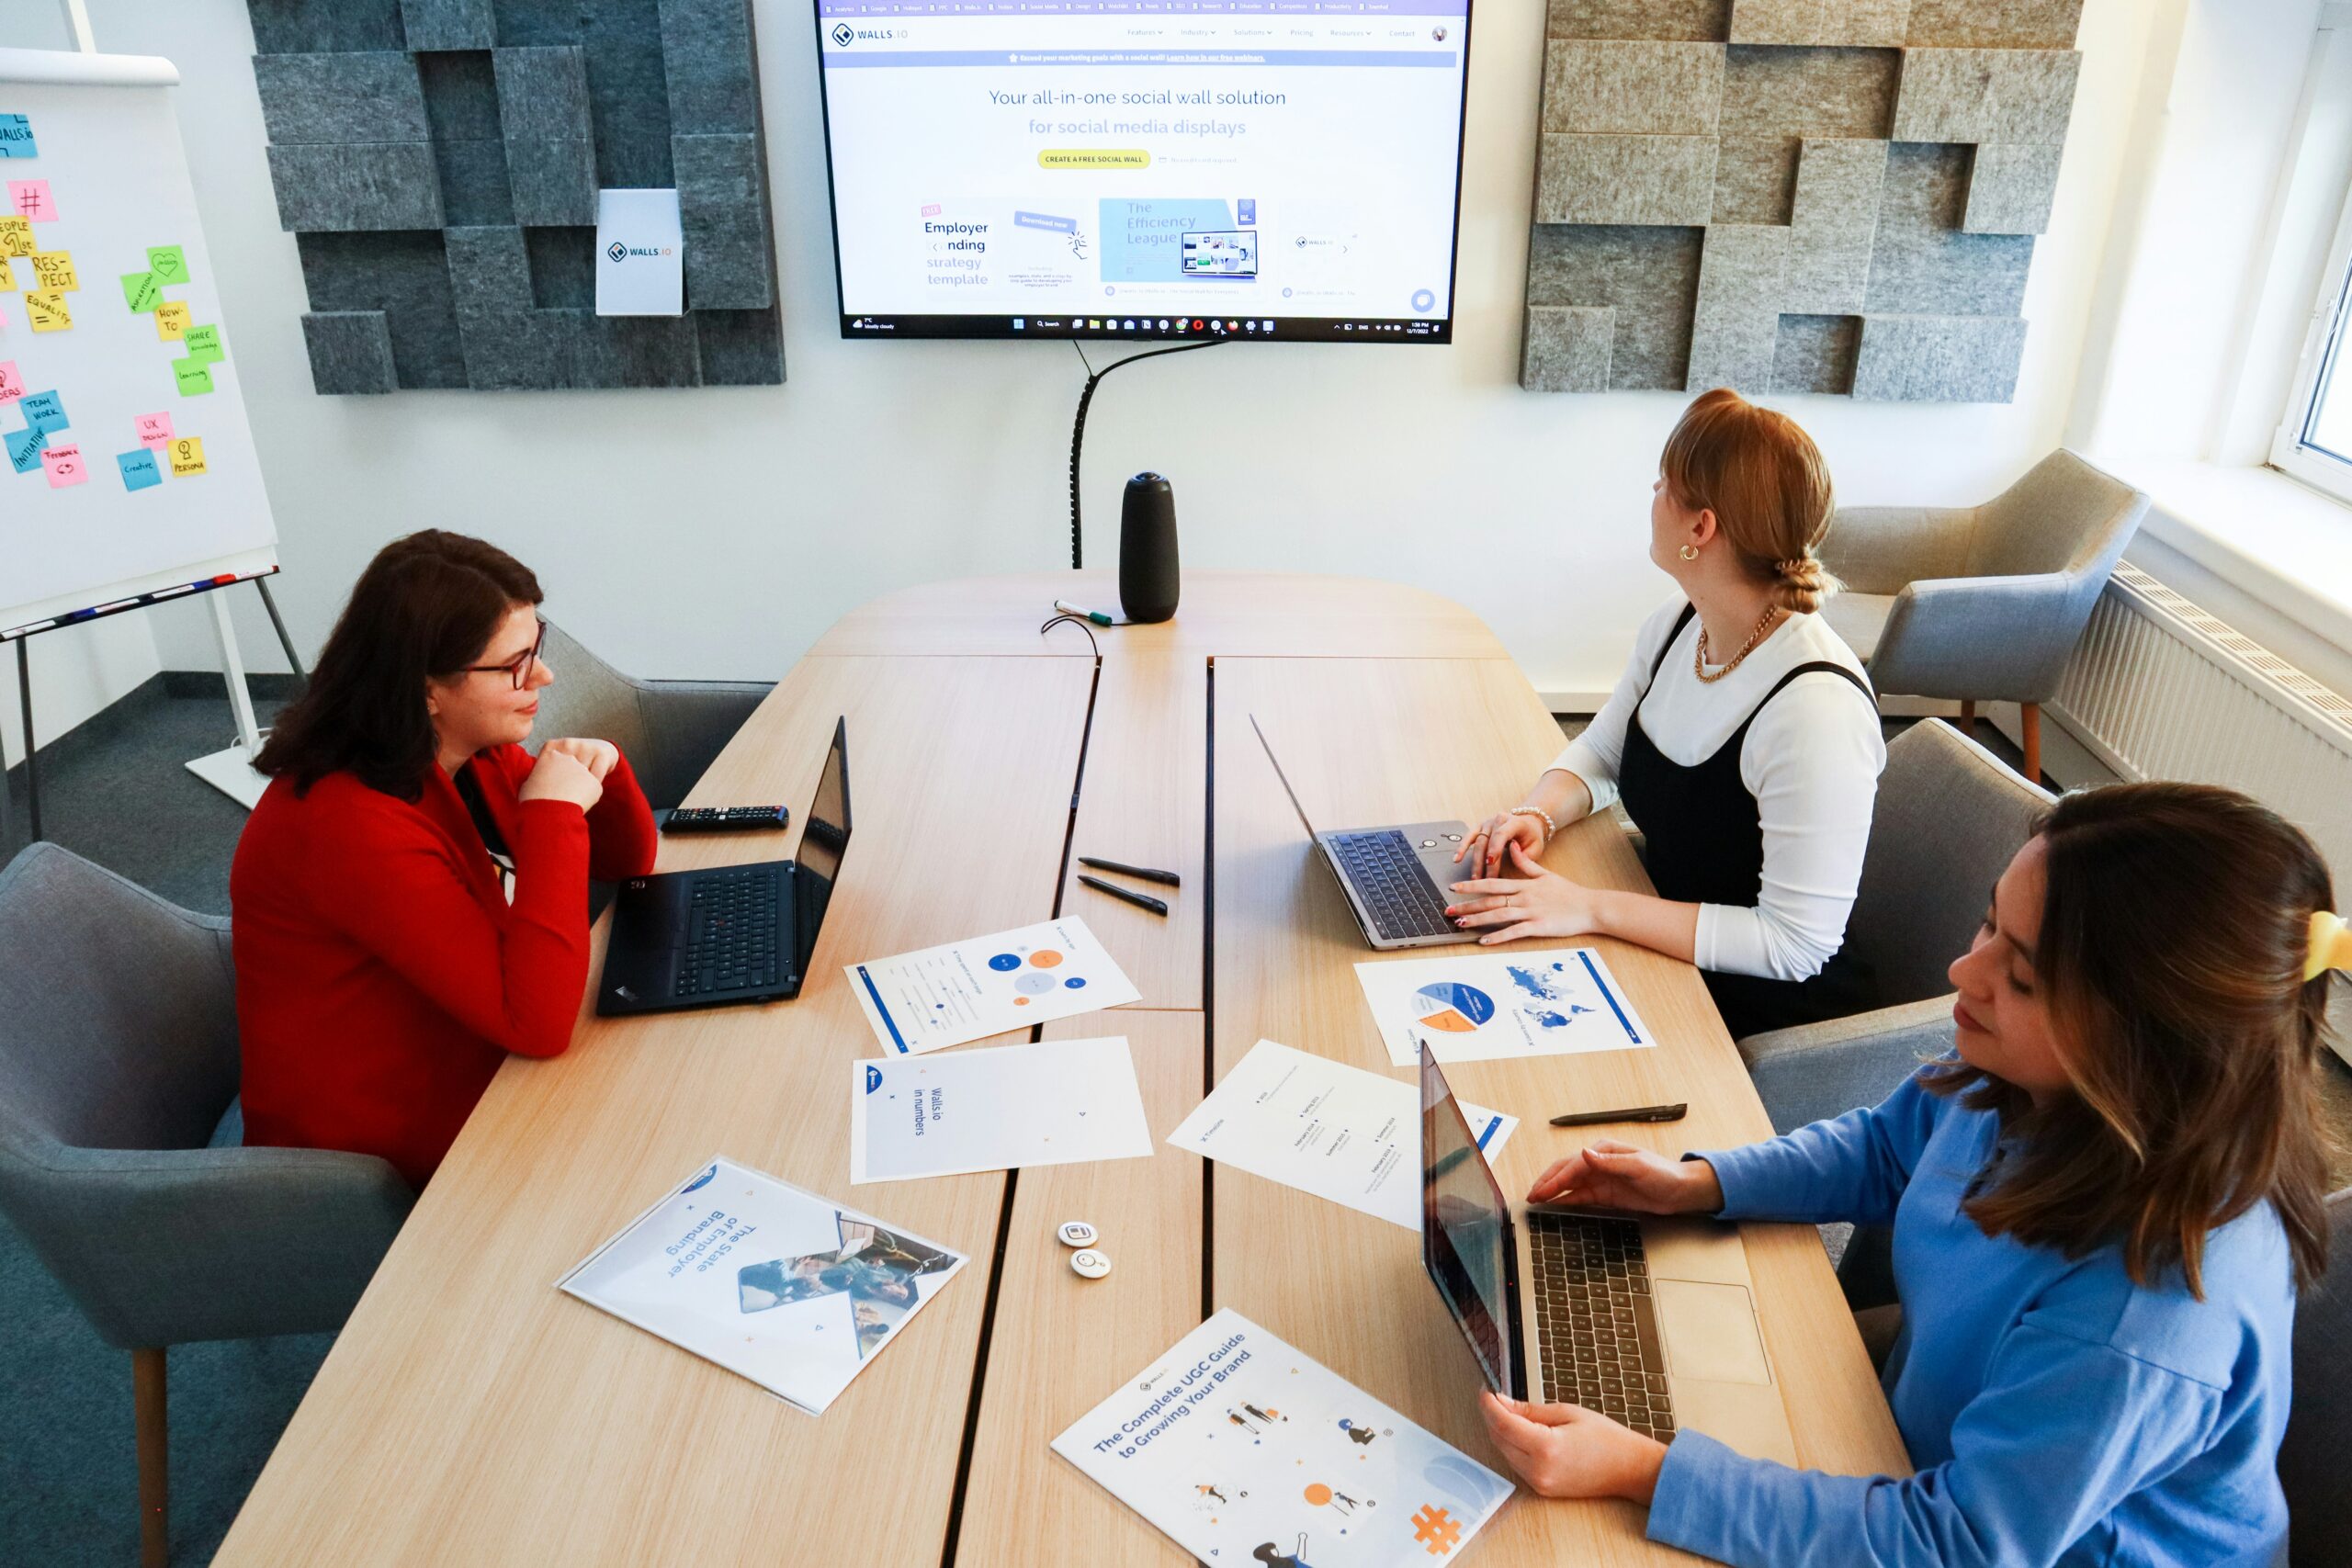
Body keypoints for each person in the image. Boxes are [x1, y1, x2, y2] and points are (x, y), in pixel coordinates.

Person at [1476, 782, 2333, 1567]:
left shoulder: (2144, 1308)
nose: (1967, 973)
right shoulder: (2027, 1082)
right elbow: (1889, 1146)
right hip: (1924, 1453)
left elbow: (1957, 1543)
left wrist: (1648, 1474)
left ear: (2147, 1046)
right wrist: (1702, 1183)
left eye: (2023, 976)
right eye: (1989, 924)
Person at [1449, 389, 1883, 1038]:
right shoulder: (1681, 624)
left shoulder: (1814, 712)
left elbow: (1794, 946)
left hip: (1759, 1016)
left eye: (1660, 486)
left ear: (1700, 528)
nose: (1651, 498)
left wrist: (1591, 907)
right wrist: (1537, 812)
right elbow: (1604, 751)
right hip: (1658, 937)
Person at [232, 531, 657, 1189]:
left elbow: (627, 859)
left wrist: (601, 771)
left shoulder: (463, 751)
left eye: (535, 646)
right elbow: (538, 1024)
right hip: (373, 1154)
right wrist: (551, 814)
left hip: (467, 1051)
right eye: (515, 663)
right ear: (427, 688)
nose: (541, 675)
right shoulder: (345, 824)